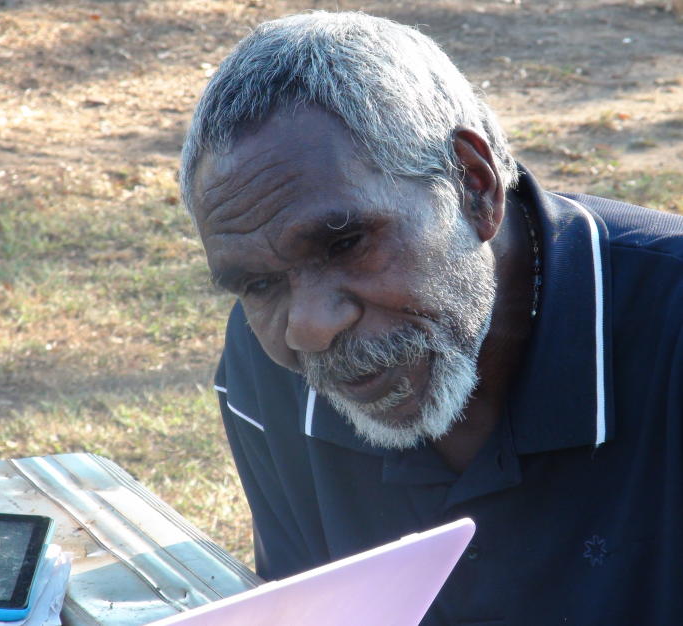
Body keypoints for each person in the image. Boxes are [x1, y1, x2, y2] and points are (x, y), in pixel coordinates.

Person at [180, 11, 683, 625]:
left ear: (474, 187)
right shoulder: (266, 369)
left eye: (345, 244)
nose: (309, 327)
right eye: (258, 284)